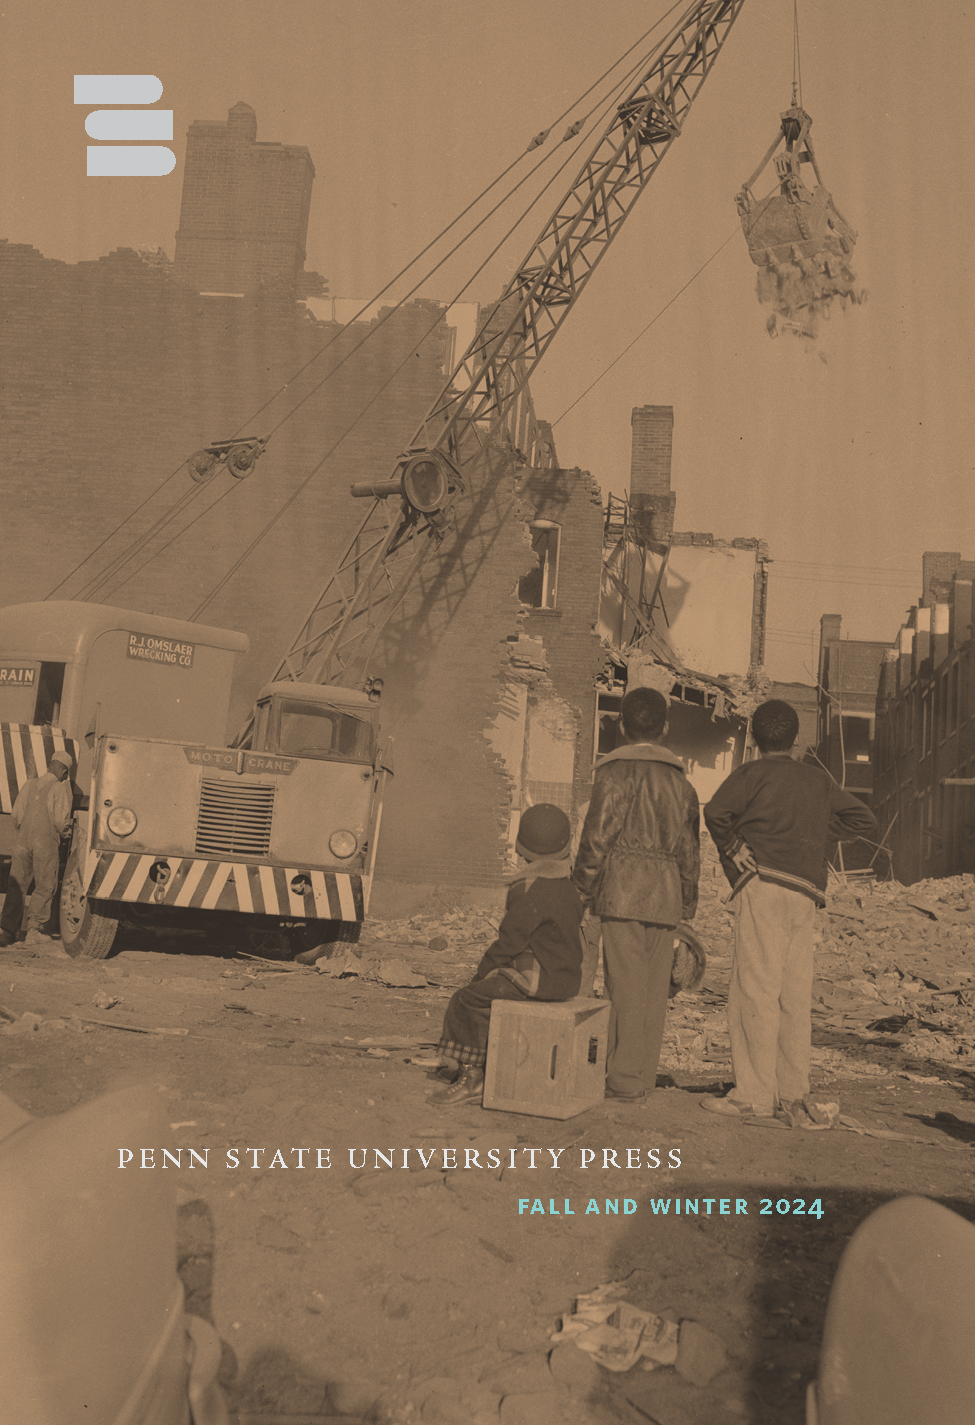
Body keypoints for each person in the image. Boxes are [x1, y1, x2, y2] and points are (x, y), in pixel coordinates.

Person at [701, 699, 876, 1119]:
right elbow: (862, 820)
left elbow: (714, 812)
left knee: (755, 989)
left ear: (756, 739)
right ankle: (792, 1092)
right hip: (804, 894)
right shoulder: (816, 780)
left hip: (762, 886)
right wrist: (811, 836)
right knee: (794, 995)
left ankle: (754, 1095)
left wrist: (734, 845)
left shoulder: (750, 774)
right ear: (796, 739)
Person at [572, 687, 700, 1101]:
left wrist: (580, 892)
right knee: (650, 989)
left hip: (621, 892)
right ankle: (640, 1075)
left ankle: (623, 1078)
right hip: (664, 898)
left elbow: (596, 840)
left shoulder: (612, 773)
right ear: (665, 727)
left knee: (622, 985)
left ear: (621, 726)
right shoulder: (683, 784)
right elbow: (690, 851)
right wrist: (687, 903)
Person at [429, 803, 583, 1108]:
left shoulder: (527, 888)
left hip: (538, 981)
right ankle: (486, 1065)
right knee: (491, 994)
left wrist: (480, 974)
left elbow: (508, 942)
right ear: (565, 846)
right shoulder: (568, 887)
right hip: (566, 981)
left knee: (468, 999)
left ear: (521, 847)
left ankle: (472, 1077)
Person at [0, 749, 73, 947]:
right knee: (45, 885)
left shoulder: (29, 784)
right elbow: (60, 821)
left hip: (22, 842)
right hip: (45, 844)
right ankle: (33, 931)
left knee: (17, 885)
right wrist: (67, 833)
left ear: (49, 765)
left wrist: (24, 833)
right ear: (64, 772)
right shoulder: (59, 788)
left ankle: (7, 932)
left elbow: (16, 816)